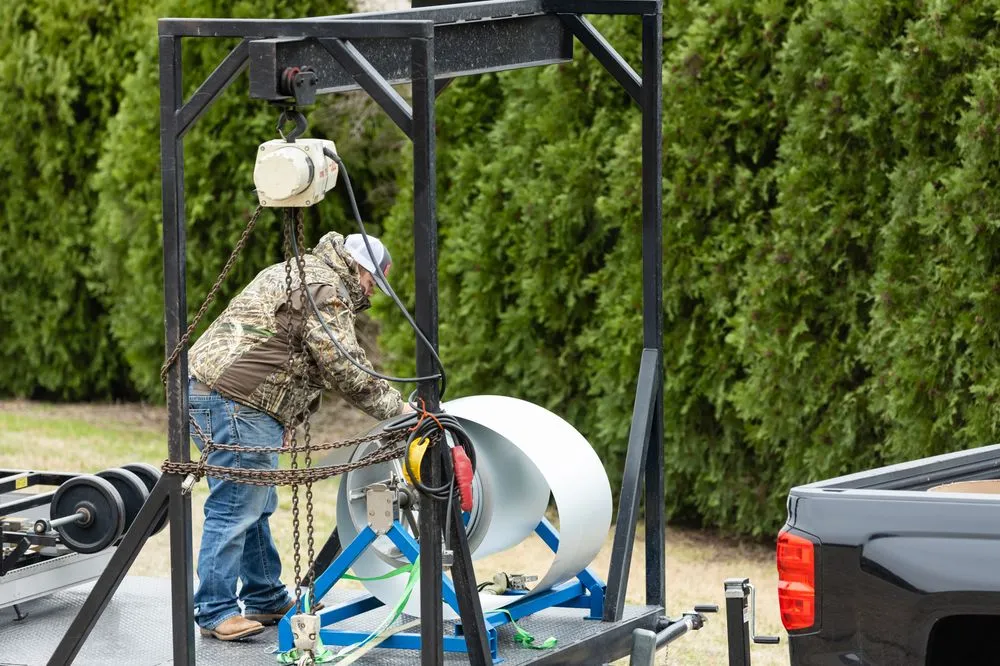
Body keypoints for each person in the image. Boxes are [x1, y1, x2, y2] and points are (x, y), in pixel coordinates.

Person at [186, 231, 410, 641]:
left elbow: (285, 343)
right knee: (236, 505)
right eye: (373, 281)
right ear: (359, 267)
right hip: (238, 399)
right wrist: (400, 411)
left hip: (217, 391)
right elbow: (344, 367)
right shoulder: (326, 289)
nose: (372, 292)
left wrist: (286, 415)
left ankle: (266, 595)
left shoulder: (303, 270)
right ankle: (214, 610)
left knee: (254, 499)